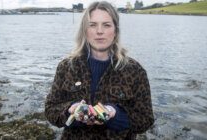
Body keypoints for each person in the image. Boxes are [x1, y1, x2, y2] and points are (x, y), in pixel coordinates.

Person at [45, 1, 154, 139]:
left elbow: (146, 120)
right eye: (93, 25)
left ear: (115, 31)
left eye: (106, 25)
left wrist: (114, 114)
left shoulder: (135, 71)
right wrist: (71, 110)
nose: (99, 31)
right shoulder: (66, 67)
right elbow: (50, 110)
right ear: (85, 30)